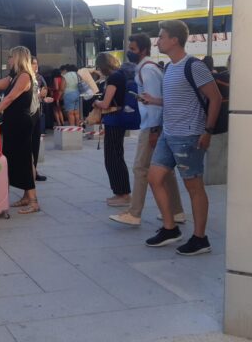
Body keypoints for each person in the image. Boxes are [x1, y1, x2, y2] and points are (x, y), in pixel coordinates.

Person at [141, 20, 222, 256]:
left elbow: (215, 98)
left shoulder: (193, 66)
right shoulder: (170, 67)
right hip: (169, 133)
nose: (158, 41)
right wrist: (154, 101)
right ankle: (170, 228)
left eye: (162, 36)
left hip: (189, 135)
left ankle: (200, 238)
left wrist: (207, 131)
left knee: (193, 187)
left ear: (174, 39)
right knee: (154, 178)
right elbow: (177, 99)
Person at [109, 33, 185, 226]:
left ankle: (134, 213)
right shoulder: (148, 68)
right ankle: (176, 212)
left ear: (143, 50)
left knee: (140, 168)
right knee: (165, 171)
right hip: (157, 125)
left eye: (133, 49)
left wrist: (153, 131)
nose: (129, 52)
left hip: (152, 126)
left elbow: (155, 103)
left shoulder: (147, 70)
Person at [0, 46, 40, 214]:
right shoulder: (14, 76)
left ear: (18, 58)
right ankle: (26, 196)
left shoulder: (25, 76)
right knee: (16, 159)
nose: (8, 60)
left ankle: (33, 201)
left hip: (21, 122)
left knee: (24, 159)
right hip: (13, 122)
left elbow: (11, 97)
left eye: (11, 57)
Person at [92, 53, 132, 207]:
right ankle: (121, 192)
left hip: (114, 120)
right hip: (118, 120)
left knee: (113, 158)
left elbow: (106, 103)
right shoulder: (120, 75)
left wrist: (96, 101)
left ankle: (122, 194)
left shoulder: (114, 78)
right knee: (116, 156)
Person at [31, 56, 49, 182]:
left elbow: (45, 90)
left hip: (38, 112)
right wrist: (39, 95)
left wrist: (43, 96)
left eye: (37, 63)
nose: (36, 66)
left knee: (35, 146)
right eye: (33, 63)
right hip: (28, 115)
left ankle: (34, 171)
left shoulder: (39, 78)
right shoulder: (25, 78)